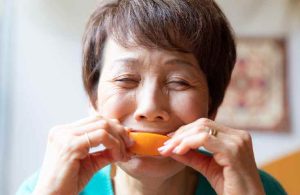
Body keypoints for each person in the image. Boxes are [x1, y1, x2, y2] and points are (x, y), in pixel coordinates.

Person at [17, 0, 286, 194]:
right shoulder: (44, 187)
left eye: (179, 81)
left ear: (212, 106)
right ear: (93, 99)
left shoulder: (258, 189)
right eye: (126, 79)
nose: (150, 107)